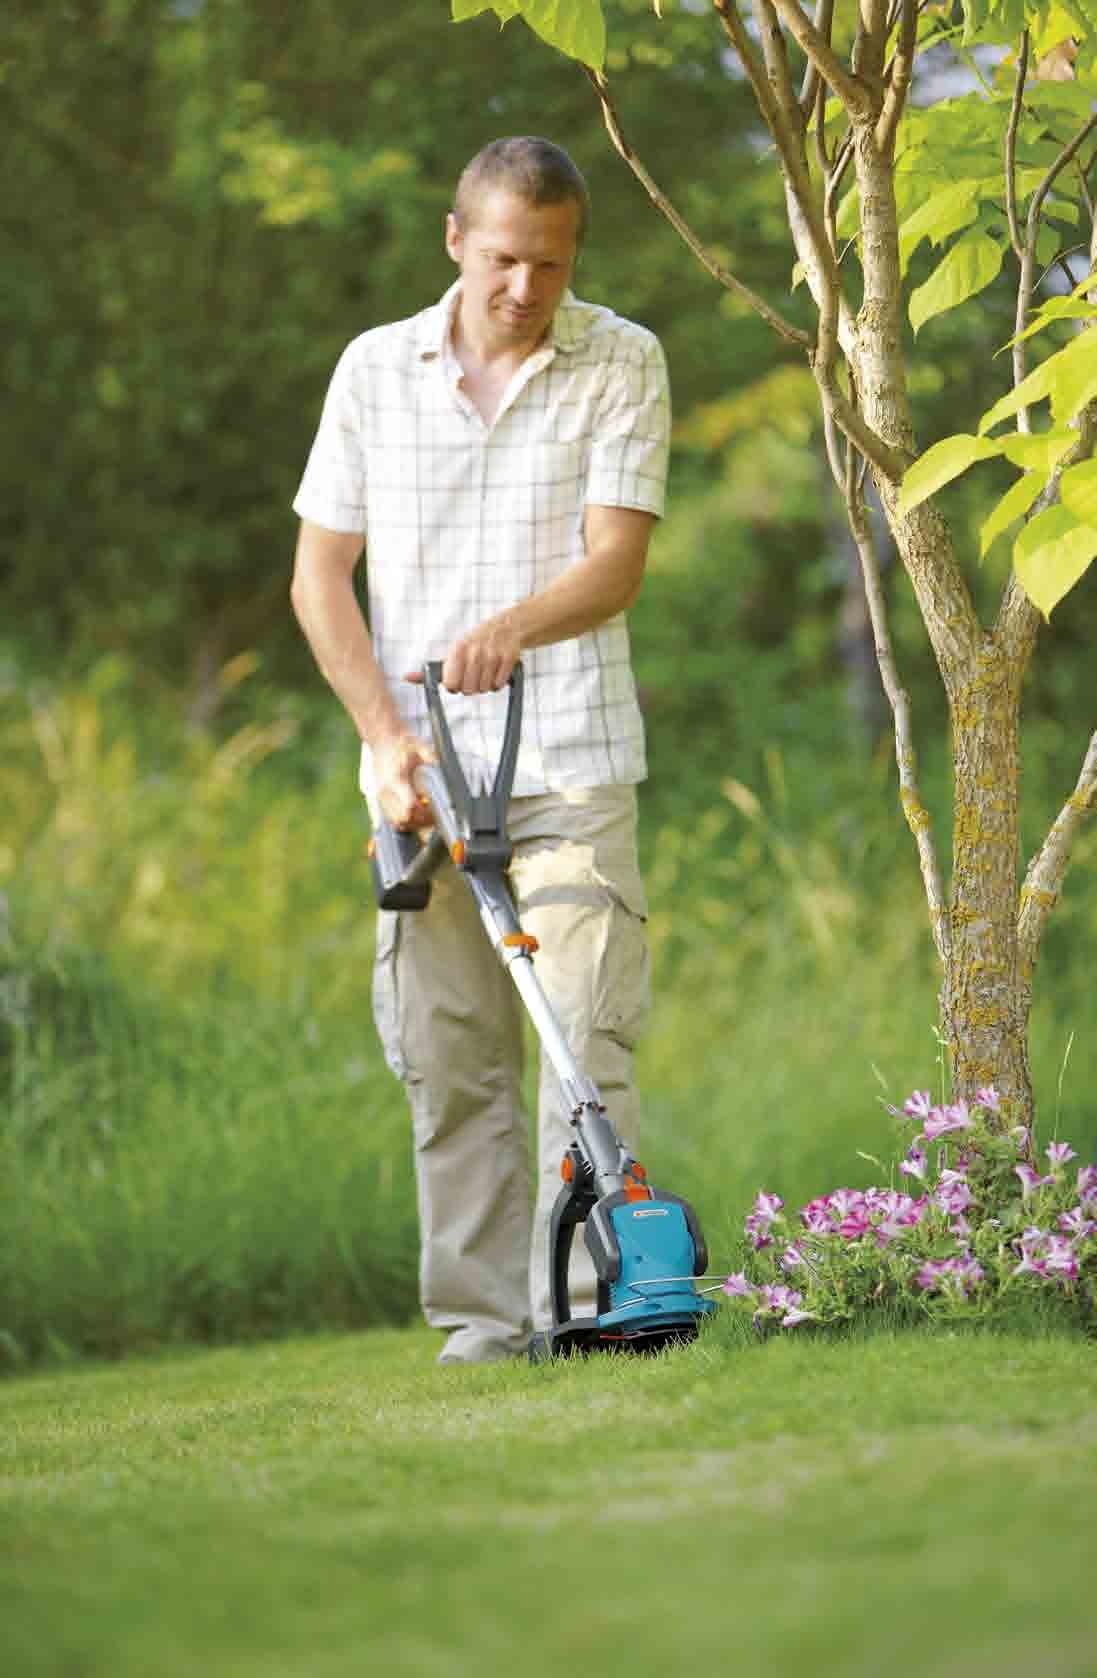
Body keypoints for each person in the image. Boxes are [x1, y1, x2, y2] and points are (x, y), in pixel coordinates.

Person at [290, 136, 671, 1364]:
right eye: (504, 258)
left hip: (568, 757)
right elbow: (318, 578)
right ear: (456, 240)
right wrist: (383, 739)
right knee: (451, 1062)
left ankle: (586, 1308)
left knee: (581, 1041)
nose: (524, 287)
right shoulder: (370, 371)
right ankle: (481, 1323)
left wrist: (508, 628)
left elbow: (614, 563)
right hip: (420, 778)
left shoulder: (620, 360)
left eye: (549, 265)